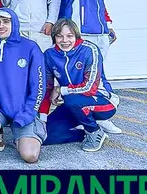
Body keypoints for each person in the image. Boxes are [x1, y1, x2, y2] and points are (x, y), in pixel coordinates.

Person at [0, 9, 47, 162]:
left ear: (14, 23)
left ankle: (24, 133)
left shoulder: (30, 47)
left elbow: (39, 87)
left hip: (23, 109)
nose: (1, 26)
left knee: (30, 157)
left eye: (6, 22)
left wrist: (28, 113)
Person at [43, 19, 120, 152]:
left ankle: (94, 131)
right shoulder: (49, 55)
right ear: (54, 37)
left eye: (69, 36)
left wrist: (61, 89)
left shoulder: (89, 50)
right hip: (71, 104)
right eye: (59, 36)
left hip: (102, 101)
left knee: (72, 100)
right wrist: (42, 116)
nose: (64, 40)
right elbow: (47, 87)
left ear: (76, 36)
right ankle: (84, 132)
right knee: (44, 135)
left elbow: (90, 88)